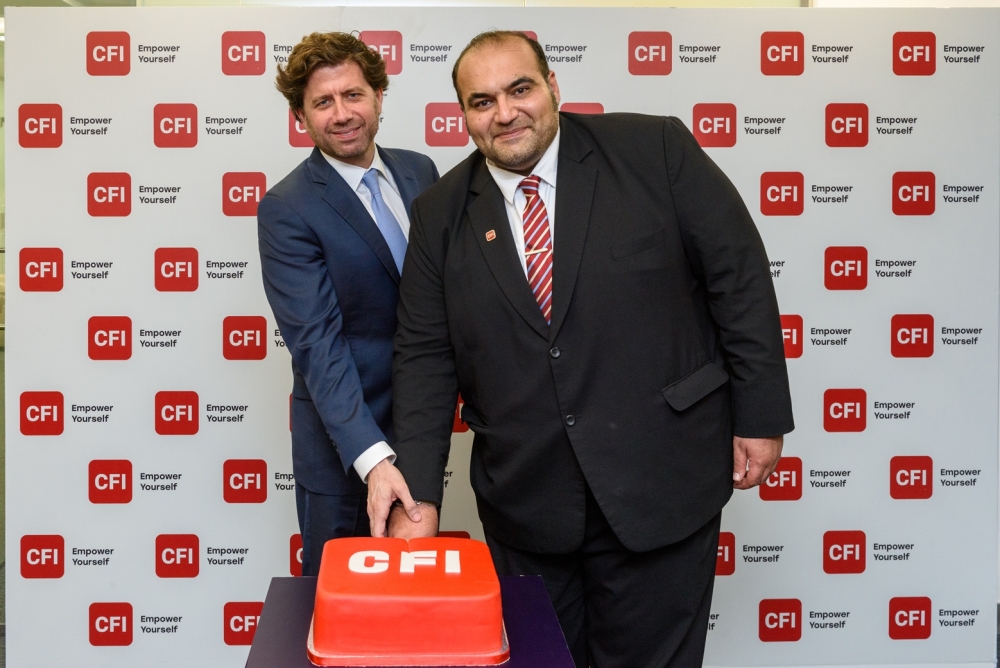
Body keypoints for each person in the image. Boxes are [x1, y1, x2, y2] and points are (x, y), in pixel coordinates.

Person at [370, 30, 796, 667]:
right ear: (463, 115)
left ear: (553, 86)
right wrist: (421, 497)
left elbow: (739, 279)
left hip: (661, 479)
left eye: (520, 89)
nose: (505, 113)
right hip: (527, 502)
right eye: (482, 101)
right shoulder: (440, 213)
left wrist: (759, 417)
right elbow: (425, 358)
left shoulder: (655, 150)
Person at [257, 31, 437, 576]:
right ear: (300, 117)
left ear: (378, 96)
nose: (342, 114)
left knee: (416, 604)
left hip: (422, 435)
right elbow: (317, 346)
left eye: (353, 94)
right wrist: (374, 458)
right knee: (337, 606)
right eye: (323, 102)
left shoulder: (421, 172)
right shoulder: (287, 207)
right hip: (344, 451)